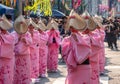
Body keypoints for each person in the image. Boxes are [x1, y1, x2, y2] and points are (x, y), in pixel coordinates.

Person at [62, 10, 92, 84]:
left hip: (84, 65)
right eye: (71, 27)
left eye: (74, 26)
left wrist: (76, 40)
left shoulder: (85, 37)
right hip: (74, 67)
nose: (72, 28)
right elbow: (64, 52)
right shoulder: (67, 39)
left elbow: (87, 49)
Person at [82, 11, 102, 84]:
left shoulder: (95, 34)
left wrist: (89, 39)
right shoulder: (78, 34)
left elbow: (98, 46)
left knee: (93, 74)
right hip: (82, 61)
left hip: (93, 59)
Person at [13, 15, 32, 84]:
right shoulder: (13, 34)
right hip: (16, 55)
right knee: (16, 70)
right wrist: (17, 39)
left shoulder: (28, 34)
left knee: (25, 70)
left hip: (25, 55)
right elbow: (11, 43)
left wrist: (25, 40)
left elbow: (30, 42)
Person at [0, 15, 15, 84]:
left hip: (7, 59)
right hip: (4, 59)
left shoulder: (10, 35)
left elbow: (12, 43)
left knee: (6, 76)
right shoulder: (10, 35)